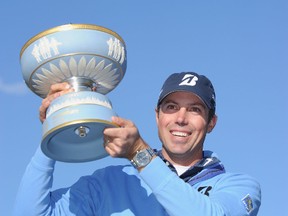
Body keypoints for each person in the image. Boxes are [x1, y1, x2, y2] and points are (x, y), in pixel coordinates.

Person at [14, 71, 261, 215]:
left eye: (195, 110)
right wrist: (55, 126)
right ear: (157, 116)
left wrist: (139, 153)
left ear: (211, 123)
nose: (181, 119)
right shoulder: (111, 181)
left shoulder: (238, 186)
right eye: (171, 107)